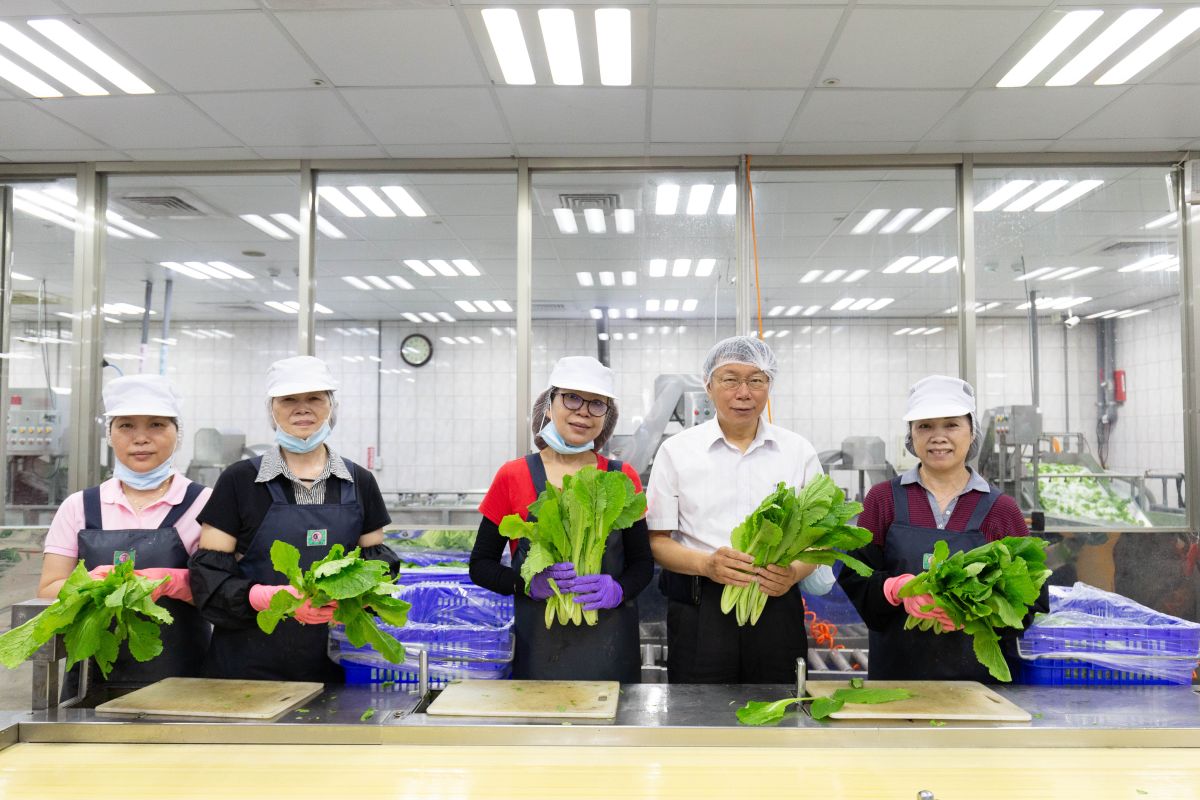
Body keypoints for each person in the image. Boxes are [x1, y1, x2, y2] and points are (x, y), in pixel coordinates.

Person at [189, 356, 396, 683]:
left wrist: (353, 601)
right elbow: (209, 577)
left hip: (334, 664)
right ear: (272, 409)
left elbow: (378, 567)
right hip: (247, 665)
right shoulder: (239, 480)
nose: (303, 408)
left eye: (315, 398)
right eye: (289, 400)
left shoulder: (360, 481)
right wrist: (264, 598)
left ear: (332, 407)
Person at [646, 336, 835, 684]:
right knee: (699, 716)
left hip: (776, 604)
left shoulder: (797, 451)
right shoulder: (676, 452)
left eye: (756, 380)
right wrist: (706, 564)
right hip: (700, 607)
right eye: (729, 379)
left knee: (778, 711)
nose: (743, 392)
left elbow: (821, 542)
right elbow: (657, 540)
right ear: (709, 385)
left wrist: (793, 572)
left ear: (769, 385)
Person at [837, 374, 1044, 681]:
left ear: (972, 431)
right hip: (896, 682)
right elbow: (855, 578)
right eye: (925, 426)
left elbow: (1031, 601)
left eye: (951, 424)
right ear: (911, 435)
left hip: (979, 689)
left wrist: (976, 612)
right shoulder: (883, 500)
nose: (938, 436)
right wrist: (892, 590)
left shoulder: (1001, 510)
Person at [470, 356, 652, 682]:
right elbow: (480, 564)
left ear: (606, 418)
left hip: (611, 649)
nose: (583, 411)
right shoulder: (513, 475)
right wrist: (525, 584)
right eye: (572, 398)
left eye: (597, 404)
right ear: (549, 406)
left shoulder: (622, 477)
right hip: (540, 650)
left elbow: (642, 565)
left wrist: (619, 589)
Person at [38, 374, 211, 698]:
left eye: (157, 425)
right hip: (91, 680)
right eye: (126, 425)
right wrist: (94, 585)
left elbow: (222, 591)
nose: (140, 438)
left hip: (185, 678)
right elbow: (49, 588)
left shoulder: (206, 503)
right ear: (109, 434)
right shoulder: (79, 506)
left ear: (178, 433)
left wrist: (169, 581)